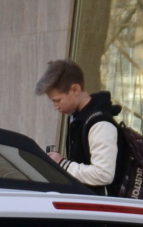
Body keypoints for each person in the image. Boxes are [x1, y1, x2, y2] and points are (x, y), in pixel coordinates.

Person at [36, 59, 123, 194]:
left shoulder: (99, 123)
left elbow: (104, 174)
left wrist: (63, 164)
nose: (55, 107)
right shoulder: (78, 118)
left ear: (75, 89)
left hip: (102, 210)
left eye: (57, 100)